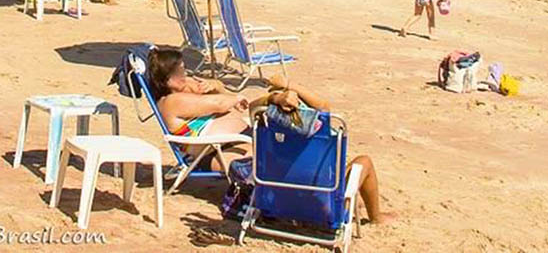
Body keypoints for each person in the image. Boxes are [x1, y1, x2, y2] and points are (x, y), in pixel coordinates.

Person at [147, 47, 386, 223]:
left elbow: (242, 106)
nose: (186, 76)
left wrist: (219, 87)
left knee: (263, 147)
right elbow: (226, 103)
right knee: (362, 163)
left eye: (184, 70)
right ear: (165, 80)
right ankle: (377, 218)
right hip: (314, 197)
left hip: (274, 187)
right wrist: (231, 96)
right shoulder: (172, 101)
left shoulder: (184, 96)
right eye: (179, 73)